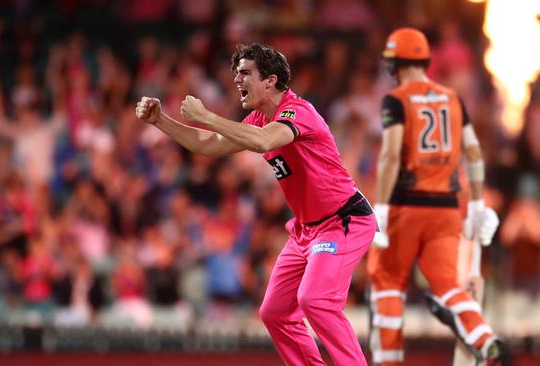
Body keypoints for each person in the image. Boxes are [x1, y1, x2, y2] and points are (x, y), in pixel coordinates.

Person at [136, 43, 377, 365]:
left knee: (314, 299)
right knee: (275, 312)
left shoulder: (298, 112)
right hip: (307, 230)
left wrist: (207, 115)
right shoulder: (258, 119)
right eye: (236, 72)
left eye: (245, 73)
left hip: (344, 221)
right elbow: (208, 146)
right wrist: (161, 121)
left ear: (271, 81)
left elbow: (264, 141)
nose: (237, 79)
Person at [367, 28, 509, 365]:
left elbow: (389, 156)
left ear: (395, 63)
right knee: (448, 284)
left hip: (407, 204)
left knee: (386, 280)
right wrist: (476, 204)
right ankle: (484, 337)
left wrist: (382, 207)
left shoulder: (396, 100)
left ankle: (388, 360)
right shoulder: (453, 98)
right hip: (446, 208)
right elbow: (473, 154)